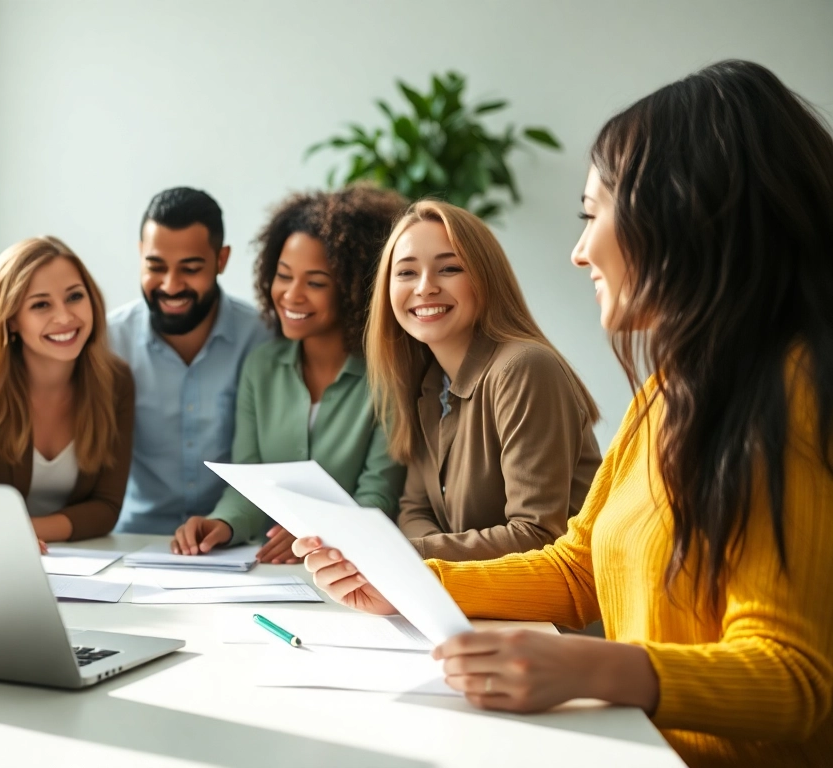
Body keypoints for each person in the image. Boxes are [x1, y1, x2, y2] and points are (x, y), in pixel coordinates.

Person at [295, 60, 833, 767]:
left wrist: (596, 669)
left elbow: (796, 681)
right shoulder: (666, 391)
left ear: (682, 211)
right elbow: (576, 567)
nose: (580, 253)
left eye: (592, 215)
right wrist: (402, 584)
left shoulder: (793, 395)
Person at [171, 186, 408, 562]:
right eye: (283, 276)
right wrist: (223, 523)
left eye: (315, 283)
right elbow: (249, 479)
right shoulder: (261, 367)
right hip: (276, 573)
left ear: (353, 290)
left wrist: (321, 536)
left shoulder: (389, 378)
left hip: (356, 571)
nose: (291, 295)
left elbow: (379, 494)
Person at [366, 199, 601, 561]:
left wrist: (402, 556)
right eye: (407, 272)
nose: (425, 287)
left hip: (546, 615)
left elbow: (537, 535)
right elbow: (414, 510)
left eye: (449, 268)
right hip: (468, 605)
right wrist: (419, 564)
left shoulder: (524, 368)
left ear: (484, 277)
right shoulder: (428, 383)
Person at [0, 236, 133, 543]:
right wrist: (15, 539)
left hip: (67, 558)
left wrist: (24, 533)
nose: (65, 317)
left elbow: (106, 508)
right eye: (41, 304)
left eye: (75, 297)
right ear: (11, 319)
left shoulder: (116, 381)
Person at [108, 187, 271, 534]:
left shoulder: (263, 339)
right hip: (132, 539)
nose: (170, 285)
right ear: (140, 254)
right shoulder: (108, 342)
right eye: (155, 266)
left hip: (235, 539)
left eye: (190, 268)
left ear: (221, 260)